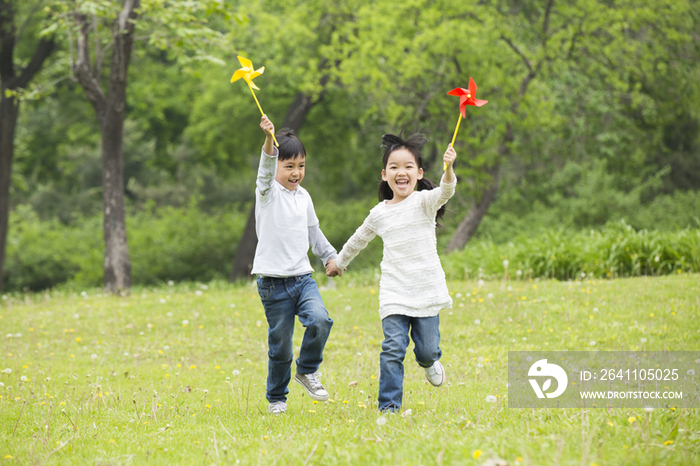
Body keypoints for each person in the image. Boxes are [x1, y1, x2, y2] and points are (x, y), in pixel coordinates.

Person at [327, 133, 456, 412]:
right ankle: (389, 407)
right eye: (394, 167)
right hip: (394, 292)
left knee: (427, 349)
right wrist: (340, 262)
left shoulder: (424, 203)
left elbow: (445, 191)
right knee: (392, 349)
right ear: (385, 175)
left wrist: (448, 169)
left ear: (419, 174)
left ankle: (430, 362)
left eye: (408, 166)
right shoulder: (379, 213)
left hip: (425, 289)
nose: (402, 172)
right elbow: (359, 238)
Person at [253, 115, 341, 415]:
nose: (296, 173)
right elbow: (264, 171)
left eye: (300, 166)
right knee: (281, 347)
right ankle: (277, 398)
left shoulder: (304, 197)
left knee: (320, 320)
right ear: (277, 166)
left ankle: (307, 370)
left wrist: (330, 257)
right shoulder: (267, 193)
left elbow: (314, 233)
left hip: (303, 279)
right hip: (273, 284)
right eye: (288, 166)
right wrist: (268, 139)